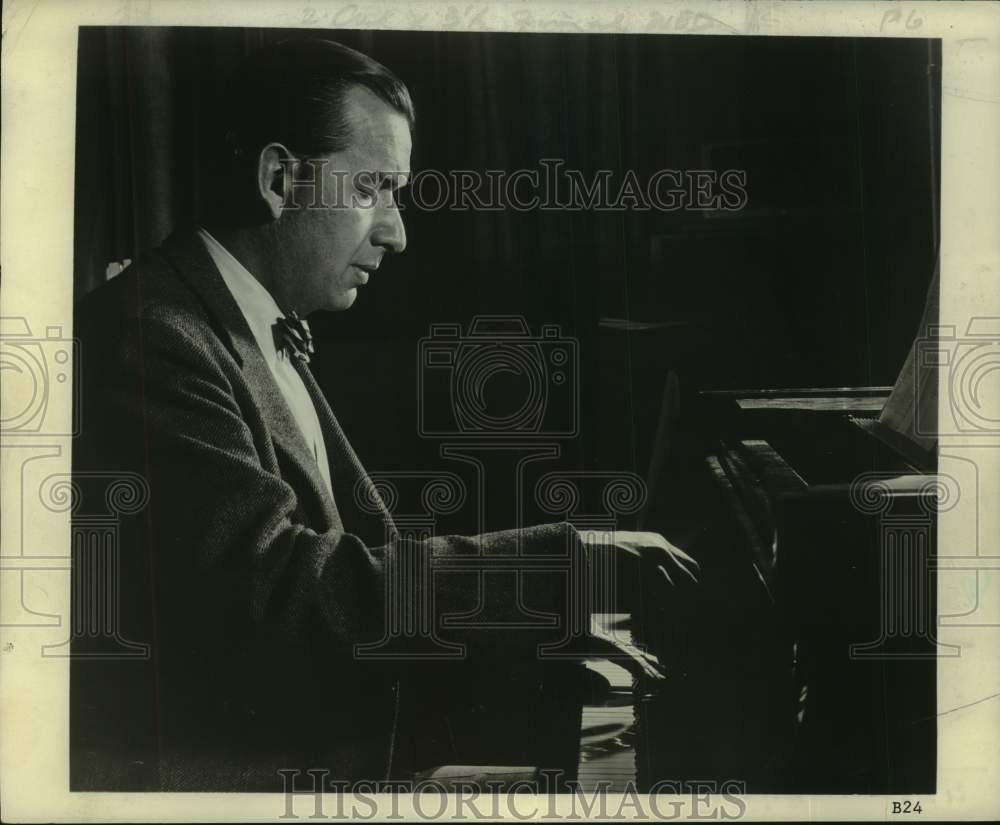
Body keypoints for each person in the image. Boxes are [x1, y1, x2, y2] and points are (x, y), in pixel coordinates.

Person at [70, 37, 699, 792]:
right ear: (279, 178)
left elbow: (353, 578)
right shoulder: (150, 334)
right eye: (374, 188)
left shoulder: (241, 320)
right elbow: (278, 592)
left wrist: (525, 633)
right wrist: (548, 567)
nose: (396, 231)